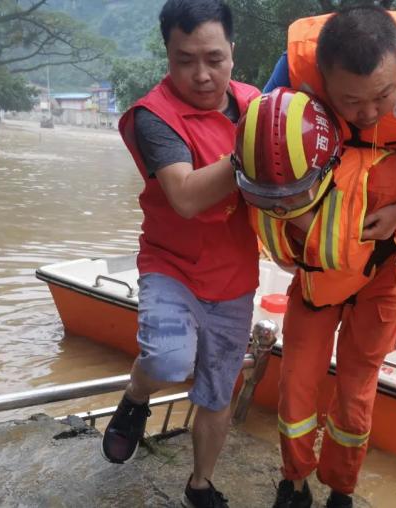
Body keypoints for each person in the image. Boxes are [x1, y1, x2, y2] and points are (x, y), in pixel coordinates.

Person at [100, 2, 259, 507]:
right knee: (168, 359)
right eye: (183, 59)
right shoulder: (155, 116)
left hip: (235, 272)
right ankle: (136, 396)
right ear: (167, 54)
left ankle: (199, 484)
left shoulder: (257, 106)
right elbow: (186, 196)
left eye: (214, 58)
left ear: (233, 51)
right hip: (172, 264)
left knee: (218, 389)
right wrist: (256, 150)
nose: (201, 74)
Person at [262, 5, 396, 365]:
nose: (368, 113)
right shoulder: (293, 69)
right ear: (323, 77)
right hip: (335, 174)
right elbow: (264, 148)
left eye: (384, 96)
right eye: (351, 100)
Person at [233, 87, 396, 508]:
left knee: (355, 395)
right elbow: (285, 255)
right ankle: (295, 481)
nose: (284, 205)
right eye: (273, 198)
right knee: (295, 384)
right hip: (317, 287)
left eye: (295, 193)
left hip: (377, 285)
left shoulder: (388, 175)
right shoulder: (257, 172)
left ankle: (341, 488)